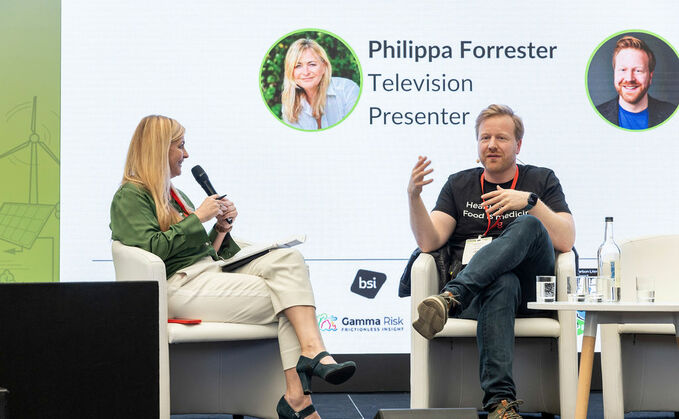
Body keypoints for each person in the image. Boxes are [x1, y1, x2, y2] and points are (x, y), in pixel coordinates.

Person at [110, 115, 355, 419]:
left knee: (289, 261)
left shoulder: (174, 193)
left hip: (206, 276)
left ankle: (305, 371)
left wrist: (221, 230)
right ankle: (303, 385)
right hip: (178, 288)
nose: (186, 154)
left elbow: (198, 251)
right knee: (291, 298)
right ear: (159, 148)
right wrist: (197, 218)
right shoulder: (130, 195)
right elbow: (152, 251)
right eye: (181, 146)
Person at [408, 105, 575, 418]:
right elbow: (428, 241)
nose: (492, 144)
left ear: (518, 145)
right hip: (483, 294)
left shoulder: (540, 180)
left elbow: (566, 239)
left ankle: (450, 297)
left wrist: (530, 203)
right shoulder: (459, 185)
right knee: (502, 280)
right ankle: (500, 404)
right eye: (485, 138)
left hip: (530, 292)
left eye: (501, 137)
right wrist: (414, 197)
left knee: (528, 224)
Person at [596, 35, 677, 129]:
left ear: (650, 76)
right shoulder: (595, 116)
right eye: (622, 70)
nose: (629, 78)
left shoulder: (672, 114)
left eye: (638, 70)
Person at [281, 38, 359, 130]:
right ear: (291, 71)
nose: (305, 72)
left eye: (312, 64)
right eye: (298, 66)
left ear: (324, 67)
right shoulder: (290, 105)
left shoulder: (347, 90)